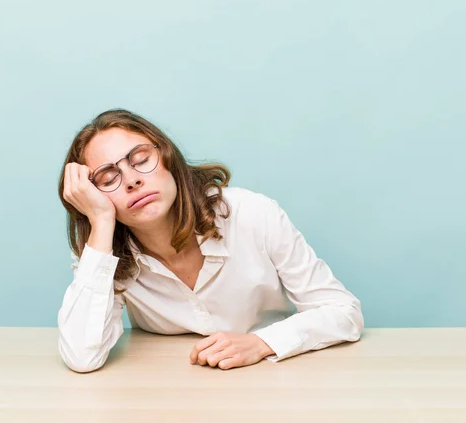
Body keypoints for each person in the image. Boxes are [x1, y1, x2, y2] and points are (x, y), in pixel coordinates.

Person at [57, 109, 364, 373]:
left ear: (166, 157)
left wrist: (262, 342)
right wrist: (100, 223)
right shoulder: (102, 247)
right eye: (108, 178)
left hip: (272, 378)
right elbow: (82, 357)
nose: (133, 180)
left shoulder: (252, 213)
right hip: (169, 387)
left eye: (141, 159)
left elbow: (343, 311)